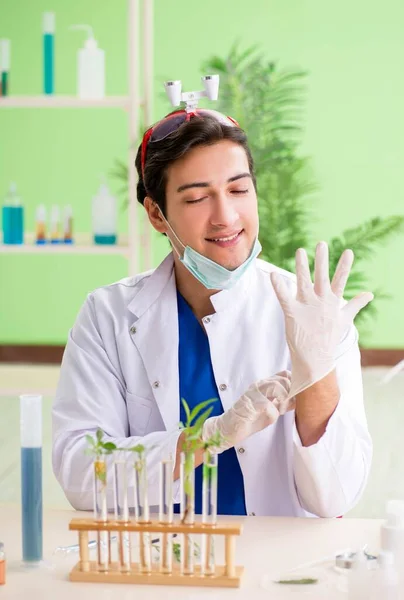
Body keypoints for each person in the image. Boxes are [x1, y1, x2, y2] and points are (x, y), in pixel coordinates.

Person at [52, 106, 373, 518]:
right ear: (156, 214)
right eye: (197, 197)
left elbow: (336, 499)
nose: (226, 217)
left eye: (239, 190)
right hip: (162, 560)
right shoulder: (108, 315)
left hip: (280, 567)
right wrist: (208, 438)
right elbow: (82, 474)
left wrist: (320, 373)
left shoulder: (314, 313)